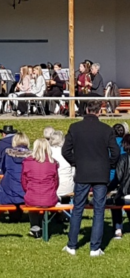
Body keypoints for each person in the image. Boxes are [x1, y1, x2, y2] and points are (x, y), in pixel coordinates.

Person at [62, 100, 120, 256]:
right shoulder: (106, 129)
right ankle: (95, 248)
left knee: (78, 209)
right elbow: (115, 153)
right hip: (101, 174)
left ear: (86, 110)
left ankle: (71, 245)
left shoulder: (75, 128)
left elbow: (65, 151)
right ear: (99, 111)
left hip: (82, 173)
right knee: (99, 211)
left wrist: (76, 162)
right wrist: (108, 165)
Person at [21, 138, 59, 239]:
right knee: (42, 201)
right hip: (49, 196)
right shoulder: (53, 163)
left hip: (32, 195)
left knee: (33, 202)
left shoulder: (27, 162)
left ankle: (35, 227)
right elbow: (56, 182)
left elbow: (24, 182)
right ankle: (41, 226)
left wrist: (28, 191)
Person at [0, 132, 31, 222]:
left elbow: (3, 168)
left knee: (6, 182)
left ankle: (14, 214)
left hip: (10, 186)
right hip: (25, 186)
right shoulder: (31, 156)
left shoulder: (8, 154)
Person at [108, 134, 130, 239]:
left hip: (125, 195)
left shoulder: (123, 158)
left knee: (115, 203)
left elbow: (118, 178)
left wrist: (107, 189)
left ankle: (118, 230)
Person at [49, 131, 75, 199]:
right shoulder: (68, 152)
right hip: (68, 187)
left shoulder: (48, 152)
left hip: (52, 187)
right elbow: (73, 171)